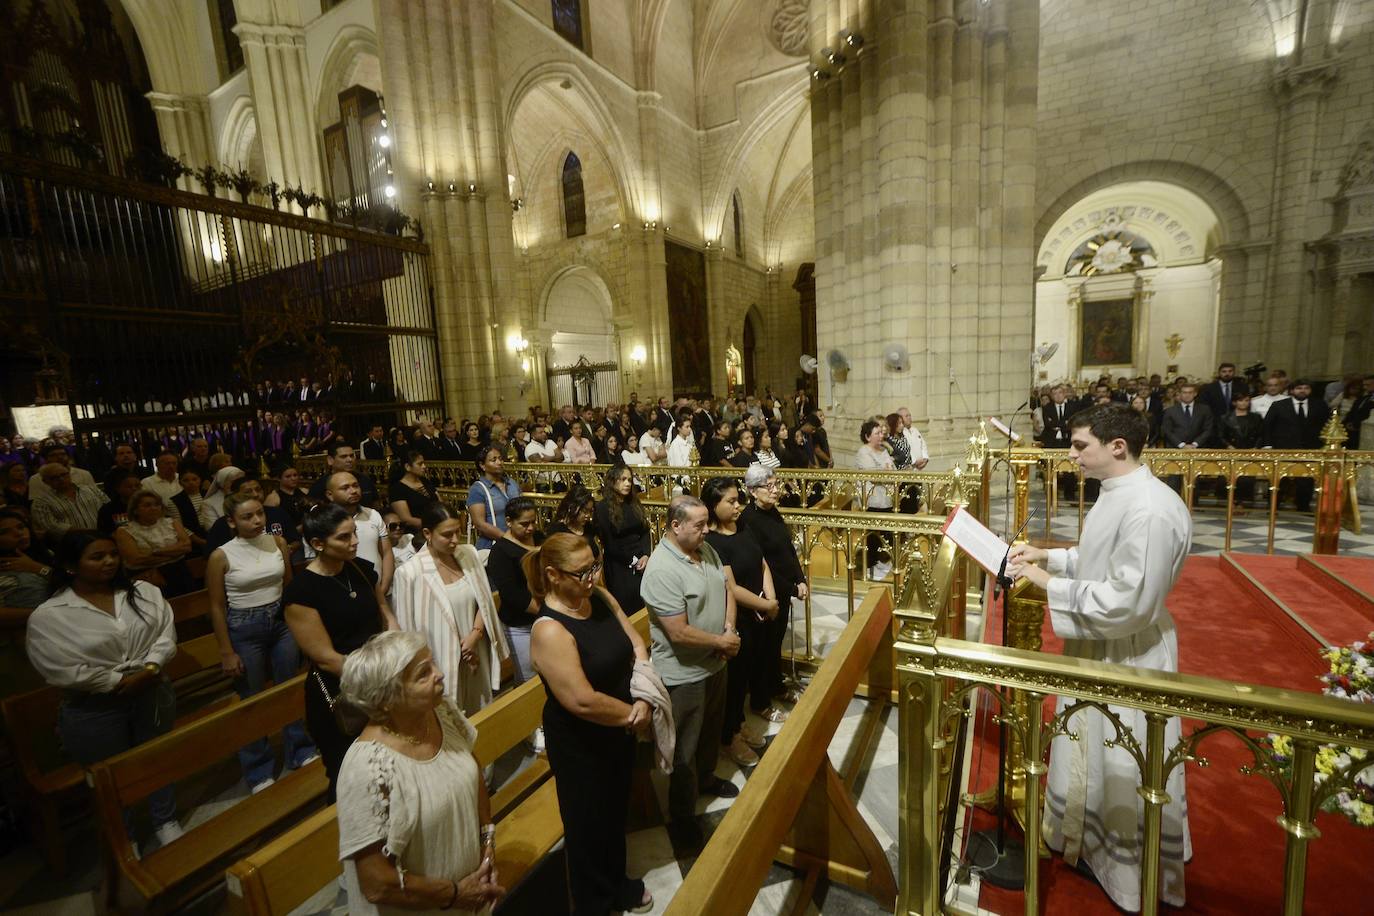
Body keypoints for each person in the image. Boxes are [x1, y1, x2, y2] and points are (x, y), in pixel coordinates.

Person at [1008, 403, 1191, 912]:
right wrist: (1049, 556)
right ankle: (1083, 840)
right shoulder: (1118, 491)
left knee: (1120, 758)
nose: (1071, 455)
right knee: (1089, 747)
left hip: (1128, 652)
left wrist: (1047, 582)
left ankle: (1124, 868)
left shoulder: (1149, 510)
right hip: (1101, 645)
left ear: (1117, 447)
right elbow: (1100, 560)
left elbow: (1127, 600)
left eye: (1079, 445)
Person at [26, 531, 185, 851]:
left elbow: (165, 634)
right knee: (108, 775)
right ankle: (125, 837)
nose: (109, 561)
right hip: (94, 705)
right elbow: (58, 667)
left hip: (151, 687)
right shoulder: (51, 614)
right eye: (97, 557)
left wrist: (151, 668)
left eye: (113, 554)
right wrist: (115, 681)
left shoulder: (143, 592)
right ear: (71, 565)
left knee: (156, 758)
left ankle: (165, 820)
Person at [527, 533, 654, 914]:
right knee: (587, 824)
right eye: (581, 572)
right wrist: (633, 714)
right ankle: (593, 902)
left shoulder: (597, 596)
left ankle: (616, 883)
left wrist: (643, 691)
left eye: (594, 566)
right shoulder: (549, 629)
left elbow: (636, 642)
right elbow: (580, 699)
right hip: (581, 742)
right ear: (553, 575)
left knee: (614, 812)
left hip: (618, 728)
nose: (592, 577)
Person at [336, 631, 505, 916]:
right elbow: (377, 883)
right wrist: (455, 894)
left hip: (468, 894)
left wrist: (486, 840)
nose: (439, 674)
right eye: (423, 673)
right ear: (386, 698)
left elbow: (470, 766)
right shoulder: (366, 768)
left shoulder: (439, 711)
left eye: (432, 663)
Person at [640, 495, 741, 849]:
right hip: (684, 674)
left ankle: (707, 778)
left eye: (706, 522)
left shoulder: (705, 550)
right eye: (699, 525)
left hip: (715, 661)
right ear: (675, 526)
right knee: (685, 747)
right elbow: (678, 632)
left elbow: (727, 590)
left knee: (711, 730)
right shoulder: (662, 569)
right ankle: (682, 815)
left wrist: (728, 631)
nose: (707, 530)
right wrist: (721, 642)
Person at [283, 504, 396, 799]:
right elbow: (326, 658)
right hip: (341, 690)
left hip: (379, 681)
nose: (355, 542)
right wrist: (377, 680)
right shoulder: (302, 592)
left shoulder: (360, 568)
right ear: (318, 543)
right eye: (344, 537)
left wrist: (397, 651)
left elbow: (384, 611)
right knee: (350, 776)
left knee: (388, 767)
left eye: (354, 533)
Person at [206, 492, 316, 792]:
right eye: (247, 517)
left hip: (280, 621)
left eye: (260, 514)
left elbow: (288, 586)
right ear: (231, 521)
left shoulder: (277, 543)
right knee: (251, 699)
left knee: (288, 689)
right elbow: (216, 606)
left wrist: (299, 626)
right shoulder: (221, 556)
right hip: (244, 625)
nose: (256, 521)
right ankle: (258, 768)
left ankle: (300, 749)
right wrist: (226, 650)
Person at [392, 503, 506, 715]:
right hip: (439, 658)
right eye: (447, 535)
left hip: (476, 648)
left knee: (481, 713)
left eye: (457, 531)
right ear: (428, 533)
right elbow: (406, 631)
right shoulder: (409, 573)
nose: (455, 540)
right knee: (450, 717)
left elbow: (484, 599)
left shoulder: (468, 554)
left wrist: (475, 634)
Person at [701, 478, 778, 769]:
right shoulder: (713, 542)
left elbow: (762, 562)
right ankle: (728, 736)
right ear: (713, 506)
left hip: (760, 612)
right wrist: (766, 605)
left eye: (738, 500)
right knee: (734, 681)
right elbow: (730, 587)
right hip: (739, 617)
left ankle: (739, 723)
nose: (738, 506)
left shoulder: (743, 526)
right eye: (731, 502)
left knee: (747, 673)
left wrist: (771, 598)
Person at [739, 465, 806, 707]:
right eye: (769, 486)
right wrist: (792, 588)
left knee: (775, 643)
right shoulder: (748, 520)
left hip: (784, 588)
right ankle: (760, 700)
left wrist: (800, 578)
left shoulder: (772, 512)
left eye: (776, 484)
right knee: (763, 647)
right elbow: (762, 565)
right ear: (752, 491)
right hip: (767, 593)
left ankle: (776, 686)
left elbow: (788, 549)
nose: (776, 490)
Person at [485, 497, 542, 694]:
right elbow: (512, 594)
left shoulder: (539, 537)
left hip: (543, 617)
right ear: (509, 521)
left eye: (533, 522)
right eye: (524, 524)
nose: (531, 528)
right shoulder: (500, 552)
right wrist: (545, 610)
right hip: (520, 625)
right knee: (529, 681)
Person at [114, 490, 195, 596]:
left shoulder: (172, 522)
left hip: (179, 571)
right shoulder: (125, 531)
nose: (154, 508)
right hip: (146, 577)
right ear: (135, 510)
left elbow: (187, 547)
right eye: (147, 505)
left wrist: (156, 551)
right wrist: (175, 553)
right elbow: (135, 559)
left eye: (157, 504)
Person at [1264, 379, 1327, 511]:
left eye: (1306, 388)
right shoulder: (1279, 405)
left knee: (1306, 478)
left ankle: (1303, 506)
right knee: (1279, 478)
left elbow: (1325, 425)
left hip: (1310, 448)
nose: (1302, 391)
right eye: (1299, 388)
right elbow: (1267, 426)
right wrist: (1268, 445)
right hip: (1283, 448)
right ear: (1292, 390)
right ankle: (1273, 506)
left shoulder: (1319, 405)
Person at [597, 464, 651, 614]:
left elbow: (645, 531)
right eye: (623, 479)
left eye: (629, 480)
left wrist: (646, 554)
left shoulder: (634, 503)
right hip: (619, 562)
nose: (627, 483)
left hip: (641, 558)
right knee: (628, 605)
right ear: (613, 481)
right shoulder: (602, 508)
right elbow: (609, 543)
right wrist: (633, 560)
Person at [854, 420, 896, 579]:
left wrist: (887, 472)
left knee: (887, 532)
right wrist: (886, 471)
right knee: (872, 535)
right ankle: (870, 565)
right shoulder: (863, 452)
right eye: (877, 433)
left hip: (887, 497)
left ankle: (881, 561)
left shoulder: (883, 451)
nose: (881, 435)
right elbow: (872, 474)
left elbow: (893, 470)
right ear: (867, 436)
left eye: (881, 432)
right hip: (872, 498)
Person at [30, 463, 108, 545]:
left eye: (63, 474)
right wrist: (89, 531)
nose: (61, 479)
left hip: (103, 536)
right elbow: (50, 527)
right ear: (45, 481)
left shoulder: (91, 490)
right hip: (70, 544)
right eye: (54, 477)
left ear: (69, 473)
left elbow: (109, 508)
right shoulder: (41, 502)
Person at [467, 446, 522, 551]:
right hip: (492, 545)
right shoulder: (478, 489)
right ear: (482, 465)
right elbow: (480, 524)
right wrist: (508, 540)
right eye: (494, 460)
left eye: (500, 459)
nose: (499, 462)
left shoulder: (512, 483)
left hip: (518, 541)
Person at [0, 508, 54, 610]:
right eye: (4, 532)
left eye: (21, 527)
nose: (19, 533)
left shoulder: (44, 552)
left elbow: (71, 582)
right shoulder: (4, 570)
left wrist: (37, 567)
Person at [307, 441, 379, 508]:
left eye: (351, 456)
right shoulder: (320, 485)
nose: (350, 460)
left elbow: (375, 505)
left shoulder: (365, 480)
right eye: (343, 457)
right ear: (330, 460)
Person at [389, 451, 438, 534]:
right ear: (408, 467)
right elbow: (406, 519)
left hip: (435, 527)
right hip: (415, 533)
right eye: (420, 464)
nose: (424, 466)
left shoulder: (425, 481)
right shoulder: (397, 488)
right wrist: (433, 525)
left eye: (424, 463)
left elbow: (439, 502)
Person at [549, 486, 601, 560]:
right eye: (584, 511)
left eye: (590, 511)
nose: (588, 515)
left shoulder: (589, 527)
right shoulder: (557, 531)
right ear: (571, 507)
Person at [1160, 382, 1213, 449]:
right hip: (1175, 448)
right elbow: (1167, 431)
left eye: (1190, 392)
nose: (1187, 395)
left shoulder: (1204, 410)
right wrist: (1181, 445)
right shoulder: (1170, 411)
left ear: (1195, 394)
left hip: (1199, 448)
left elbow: (1208, 429)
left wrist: (1195, 444)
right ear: (1180, 394)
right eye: (1184, 392)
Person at [171, 467, 209, 553]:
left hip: (212, 531)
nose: (191, 483)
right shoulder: (175, 500)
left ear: (200, 480)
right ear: (180, 482)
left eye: (194, 479)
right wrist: (200, 541)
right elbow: (179, 526)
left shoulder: (208, 494)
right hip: (193, 538)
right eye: (186, 480)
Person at [96, 469, 141, 536]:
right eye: (129, 486)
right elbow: (104, 533)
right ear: (118, 489)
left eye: (137, 486)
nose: (134, 489)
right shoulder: (108, 510)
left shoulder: (148, 505)